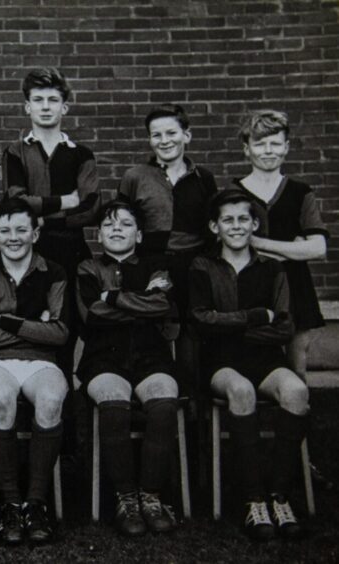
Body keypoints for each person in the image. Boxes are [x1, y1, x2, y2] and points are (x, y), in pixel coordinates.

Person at [190, 189, 309, 540]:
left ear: (254, 223)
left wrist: (232, 326)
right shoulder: (203, 266)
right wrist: (257, 317)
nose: (236, 226)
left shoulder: (272, 268)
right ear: (215, 226)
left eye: (244, 219)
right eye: (228, 220)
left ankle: (279, 495)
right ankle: (253, 499)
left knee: (297, 390)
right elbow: (200, 320)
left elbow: (285, 326)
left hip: (266, 360)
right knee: (241, 391)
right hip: (221, 363)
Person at [0, 198, 70, 545]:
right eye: (6, 231)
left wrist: (8, 320)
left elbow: (59, 333)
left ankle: (36, 503)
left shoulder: (54, 271)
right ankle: (11, 502)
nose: (14, 237)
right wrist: (35, 324)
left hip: (42, 361)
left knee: (52, 399)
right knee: (0, 398)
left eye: (21, 229)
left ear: (35, 233)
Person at [76, 200, 179, 536]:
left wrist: (112, 298)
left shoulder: (156, 266)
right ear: (98, 234)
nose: (116, 229)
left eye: (125, 223)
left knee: (164, 399)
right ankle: (125, 497)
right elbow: (91, 314)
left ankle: (151, 495)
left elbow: (161, 306)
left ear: (139, 233)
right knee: (112, 398)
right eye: (108, 224)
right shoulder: (87, 268)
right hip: (103, 355)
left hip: (152, 355)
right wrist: (139, 303)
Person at [2, 67, 100, 376]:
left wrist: (41, 218)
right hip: (31, 256)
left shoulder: (81, 154)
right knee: (36, 328)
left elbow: (90, 208)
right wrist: (63, 202)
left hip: (72, 252)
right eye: (38, 100)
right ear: (27, 106)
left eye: (53, 100)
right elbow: (16, 201)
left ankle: (68, 416)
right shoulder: (15, 152)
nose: (46, 106)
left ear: (64, 107)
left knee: (67, 329)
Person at [117, 103, 218, 394]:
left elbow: (211, 230)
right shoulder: (135, 176)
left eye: (171, 132)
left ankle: (191, 411)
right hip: (151, 264)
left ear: (186, 135)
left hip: (194, 267)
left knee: (192, 337)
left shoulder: (203, 178)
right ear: (149, 140)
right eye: (156, 135)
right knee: (151, 332)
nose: (165, 140)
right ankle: (155, 402)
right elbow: (123, 225)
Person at [232, 109, 328, 381]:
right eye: (260, 143)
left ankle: (296, 422)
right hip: (250, 287)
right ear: (247, 149)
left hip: (296, 287)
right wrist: (293, 248)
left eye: (275, 143)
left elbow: (318, 248)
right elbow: (231, 244)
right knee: (252, 370)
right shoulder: (234, 192)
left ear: (286, 148)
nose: (268, 150)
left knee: (297, 371)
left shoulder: (300, 192)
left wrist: (259, 243)